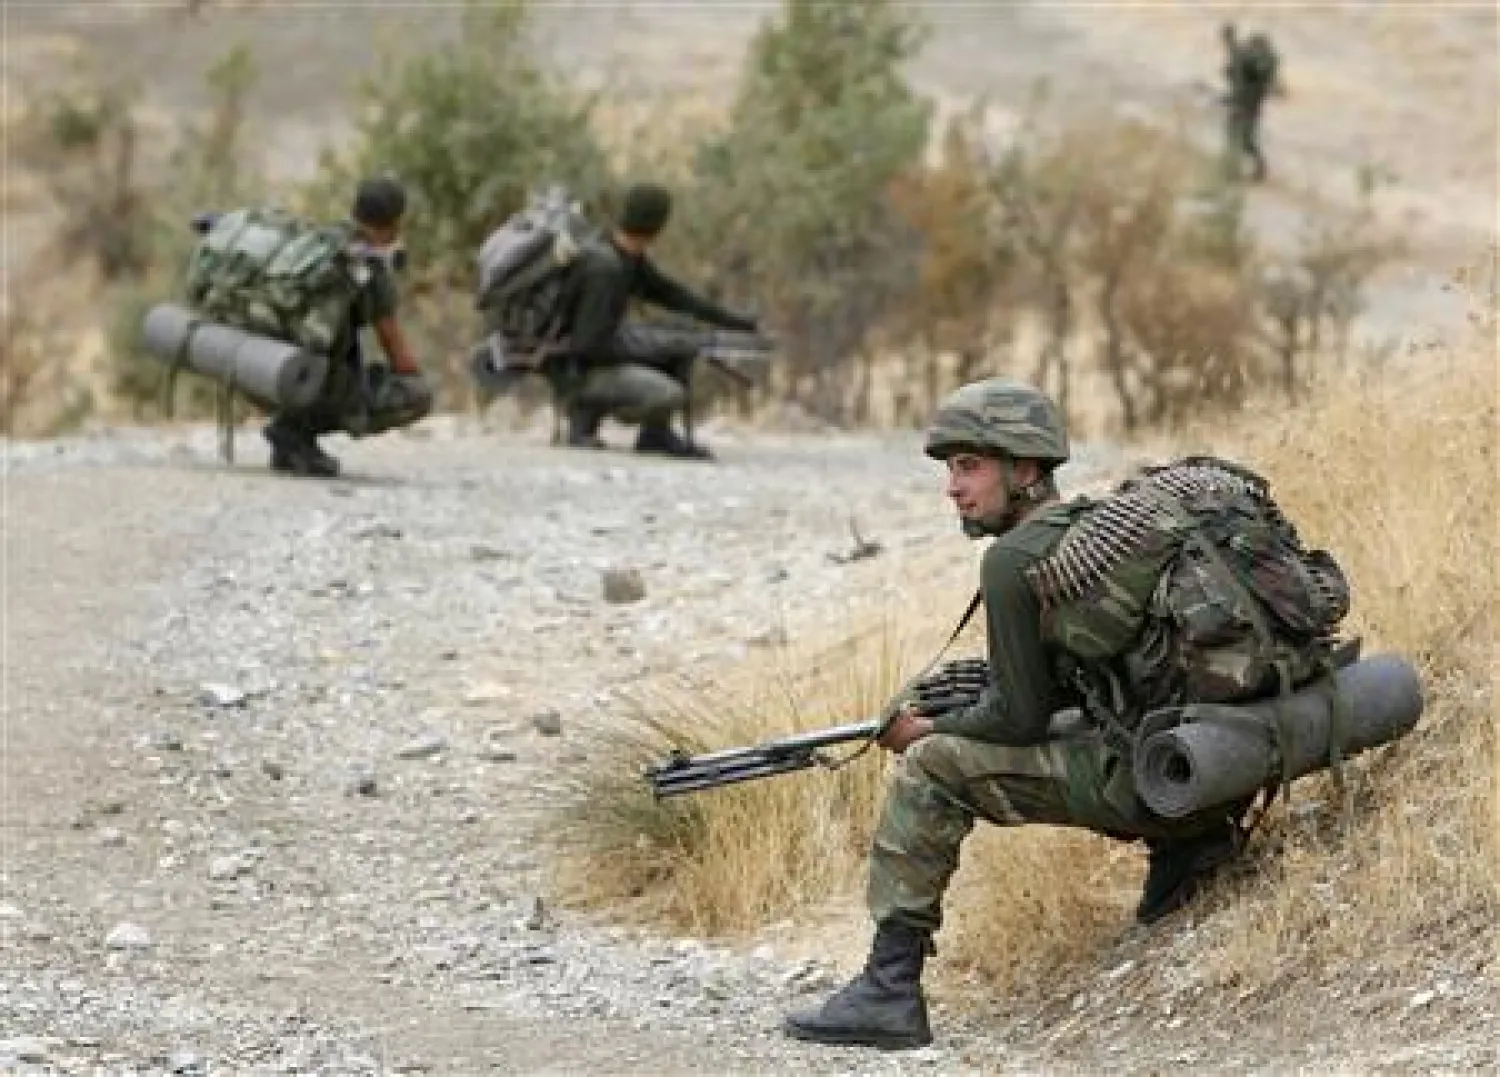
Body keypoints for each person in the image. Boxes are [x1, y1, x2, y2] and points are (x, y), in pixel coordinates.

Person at [783, 380, 1249, 1051]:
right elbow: (1091, 682)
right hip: (1212, 761)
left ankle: (888, 989)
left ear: (1025, 469)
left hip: (1159, 778)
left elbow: (1020, 719)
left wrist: (927, 730)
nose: (953, 488)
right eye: (951, 469)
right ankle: (1191, 851)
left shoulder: (1012, 560)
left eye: (969, 466)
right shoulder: (1091, 529)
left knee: (932, 767)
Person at [541, 182, 759, 461]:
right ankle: (583, 416)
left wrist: (735, 321)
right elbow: (589, 346)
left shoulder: (622, 256)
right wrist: (656, 344)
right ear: (657, 228)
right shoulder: (605, 268)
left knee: (679, 337)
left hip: (588, 362)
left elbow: (676, 296)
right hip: (577, 373)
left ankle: (656, 436)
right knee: (668, 394)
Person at [260, 176, 431, 477]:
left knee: (333, 366)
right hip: (307, 378)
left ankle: (292, 429)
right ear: (394, 224)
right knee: (415, 394)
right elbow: (395, 347)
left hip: (268, 365)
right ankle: (294, 433)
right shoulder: (367, 263)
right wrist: (413, 377)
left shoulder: (320, 240)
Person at [1220, 23, 1284, 183]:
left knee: (1242, 138)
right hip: (1242, 103)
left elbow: (1251, 66)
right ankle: (1240, 169)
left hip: (1248, 104)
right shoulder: (1246, 56)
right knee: (1238, 137)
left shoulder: (1255, 60)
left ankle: (1251, 169)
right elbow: (1236, 65)